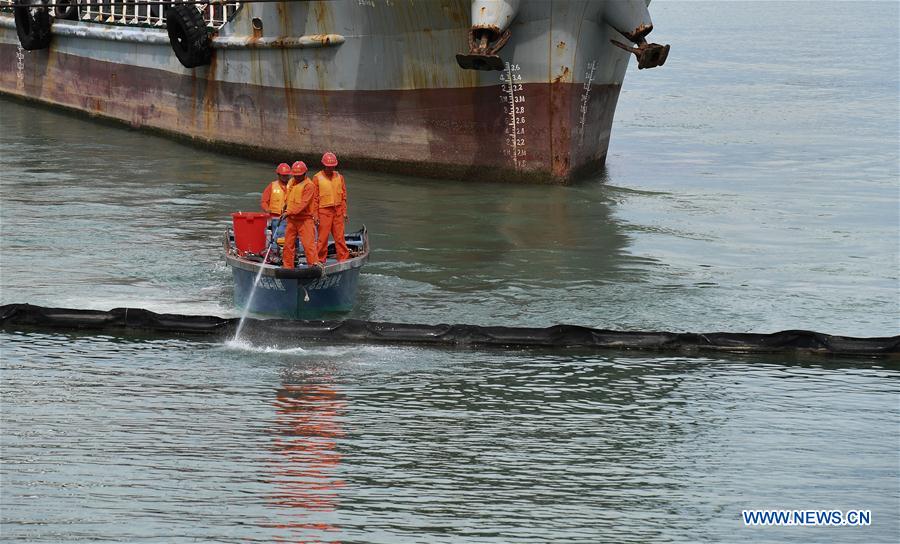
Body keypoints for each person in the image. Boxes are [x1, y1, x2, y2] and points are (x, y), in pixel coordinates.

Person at [281, 161, 319, 269]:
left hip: (305, 220)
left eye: (299, 175)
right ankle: (288, 266)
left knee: (308, 246)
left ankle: (313, 266)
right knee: (288, 245)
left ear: (305, 173)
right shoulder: (292, 182)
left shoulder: (309, 185)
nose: (297, 177)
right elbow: (289, 197)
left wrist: (288, 212)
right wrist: (285, 208)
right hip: (291, 219)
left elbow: (303, 204)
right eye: (295, 175)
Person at [313, 152, 349, 263]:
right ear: (324, 165)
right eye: (328, 166)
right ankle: (319, 260)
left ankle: (343, 259)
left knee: (340, 238)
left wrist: (344, 212)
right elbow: (314, 199)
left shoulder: (340, 177)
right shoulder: (317, 178)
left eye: (332, 166)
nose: (330, 168)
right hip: (324, 211)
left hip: (337, 211)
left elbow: (343, 196)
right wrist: (315, 215)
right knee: (322, 239)